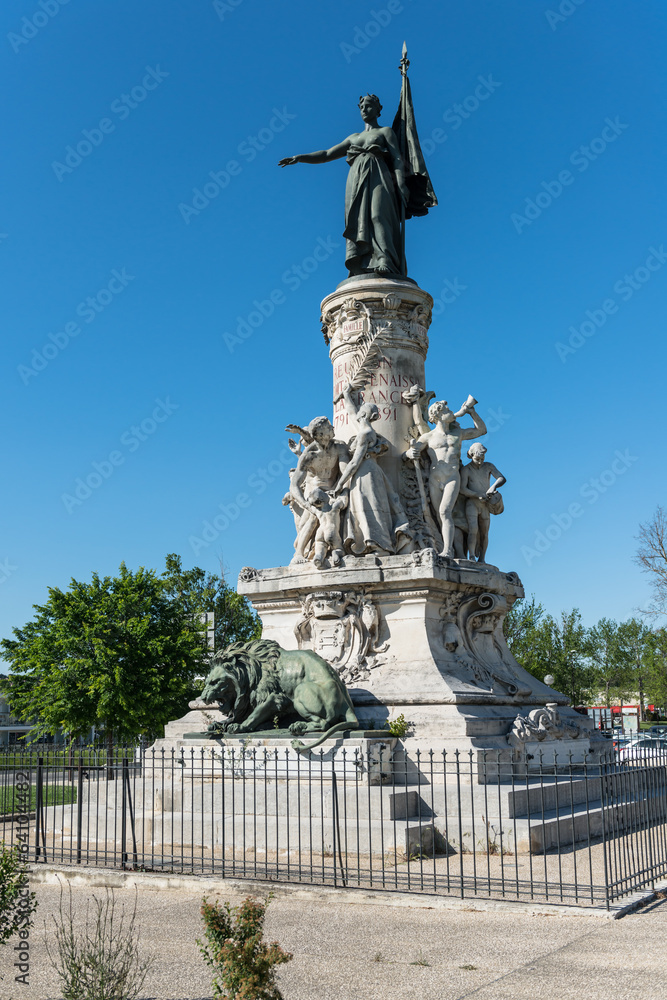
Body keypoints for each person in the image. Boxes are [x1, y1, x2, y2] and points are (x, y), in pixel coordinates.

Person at [279, 94, 409, 276]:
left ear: (379, 110)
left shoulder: (385, 132)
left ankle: (385, 259)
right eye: (362, 106)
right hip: (355, 179)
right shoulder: (353, 138)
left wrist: (401, 184)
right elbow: (326, 154)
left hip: (379, 174)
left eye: (369, 106)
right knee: (358, 220)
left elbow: (397, 158)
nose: (365, 109)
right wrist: (300, 158)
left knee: (379, 215)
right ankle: (362, 262)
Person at [333, 385, 413, 555]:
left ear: (365, 414)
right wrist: (346, 395)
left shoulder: (365, 433)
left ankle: (380, 546)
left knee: (369, 507)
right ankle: (371, 544)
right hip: (366, 471)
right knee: (365, 508)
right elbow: (352, 413)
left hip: (365, 472)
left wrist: (340, 483)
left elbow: (354, 462)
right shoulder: (364, 429)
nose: (358, 412)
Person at [405, 398, 486, 559]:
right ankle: (449, 548)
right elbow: (413, 450)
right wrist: (409, 453)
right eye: (446, 410)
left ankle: (448, 551)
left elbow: (481, 430)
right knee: (441, 517)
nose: (450, 411)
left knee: (445, 511)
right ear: (438, 415)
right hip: (435, 480)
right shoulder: (429, 437)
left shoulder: (458, 433)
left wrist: (472, 412)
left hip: (452, 478)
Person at [287, 417, 350, 564]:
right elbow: (294, 485)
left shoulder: (339, 447)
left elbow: (346, 474)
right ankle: (299, 553)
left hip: (334, 490)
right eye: (329, 427)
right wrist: (306, 505)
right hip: (313, 492)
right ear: (321, 435)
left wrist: (344, 493)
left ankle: (335, 549)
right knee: (313, 516)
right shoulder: (309, 454)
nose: (333, 428)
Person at [459, 443, 506, 563]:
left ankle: (482, 558)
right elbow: (462, 489)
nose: (480, 461)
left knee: (485, 533)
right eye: (477, 459)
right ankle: (472, 556)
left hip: (485, 504)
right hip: (472, 503)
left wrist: (493, 486)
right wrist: (476, 495)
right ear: (471, 456)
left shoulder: (488, 466)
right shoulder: (466, 470)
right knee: (473, 530)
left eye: (482, 458)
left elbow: (501, 478)